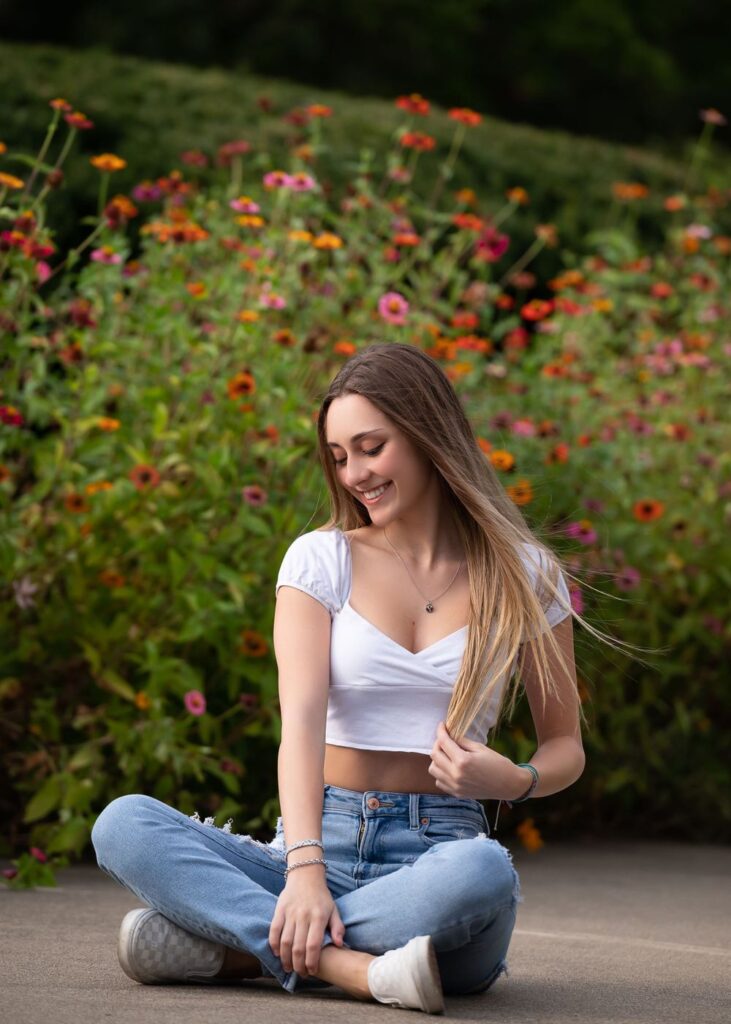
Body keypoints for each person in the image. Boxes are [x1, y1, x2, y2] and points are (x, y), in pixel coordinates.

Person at [91, 341, 592, 1014]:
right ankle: (354, 968)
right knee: (123, 823)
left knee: (482, 873)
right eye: (338, 457)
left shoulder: (527, 574)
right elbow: (298, 723)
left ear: (424, 435)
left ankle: (242, 950)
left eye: (370, 447)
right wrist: (302, 872)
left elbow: (564, 747)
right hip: (317, 838)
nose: (354, 472)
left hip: (439, 856)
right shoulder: (319, 560)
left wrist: (516, 781)